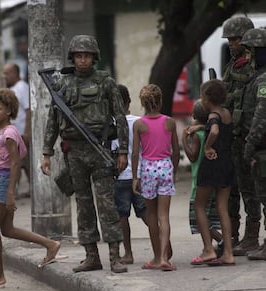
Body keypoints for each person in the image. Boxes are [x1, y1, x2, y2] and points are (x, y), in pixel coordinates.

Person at [41, 35, 129, 273]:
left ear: (94, 57)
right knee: (83, 205)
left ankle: (115, 257)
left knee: (107, 205)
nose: (82, 60)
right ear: (73, 57)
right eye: (79, 56)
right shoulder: (62, 85)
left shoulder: (105, 82)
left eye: (87, 56)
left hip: (99, 150)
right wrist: (46, 152)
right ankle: (92, 256)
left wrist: (123, 151)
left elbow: (120, 117)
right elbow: (52, 120)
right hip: (74, 151)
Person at [0, 88, 61, 288]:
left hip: (4, 185)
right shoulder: (4, 132)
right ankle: (51, 244)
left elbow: (14, 165)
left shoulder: (10, 134)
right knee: (7, 229)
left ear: (9, 110)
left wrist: (11, 194)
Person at [132, 84, 180, 271]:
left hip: (148, 170)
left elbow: (135, 153)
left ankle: (155, 257)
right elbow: (176, 151)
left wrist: (135, 177)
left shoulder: (139, 124)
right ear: (160, 101)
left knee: (151, 215)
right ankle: (164, 258)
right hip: (165, 167)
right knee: (164, 216)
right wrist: (173, 171)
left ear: (143, 103)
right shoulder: (170, 122)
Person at [221, 16, 259, 253]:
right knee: (232, 190)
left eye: (235, 39)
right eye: (230, 40)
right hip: (231, 135)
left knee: (250, 189)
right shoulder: (232, 66)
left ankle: (252, 235)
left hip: (246, 135)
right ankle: (232, 235)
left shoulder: (255, 68)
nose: (231, 44)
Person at [192, 79, 236, 266]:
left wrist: (208, 146)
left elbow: (215, 130)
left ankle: (208, 250)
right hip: (227, 164)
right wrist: (203, 128)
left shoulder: (212, 116)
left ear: (207, 98)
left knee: (199, 206)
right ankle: (228, 253)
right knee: (222, 208)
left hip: (212, 164)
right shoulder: (226, 113)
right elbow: (220, 128)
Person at [182, 100, 223, 261]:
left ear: (193, 116)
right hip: (213, 179)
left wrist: (184, 140)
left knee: (200, 219)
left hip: (200, 181)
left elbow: (192, 157)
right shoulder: (210, 131)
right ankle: (211, 246)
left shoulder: (197, 136)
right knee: (208, 216)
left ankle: (220, 242)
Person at [111, 84, 148, 264]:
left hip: (119, 178)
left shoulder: (110, 125)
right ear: (129, 101)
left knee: (122, 216)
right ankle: (163, 246)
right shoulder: (140, 122)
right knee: (148, 214)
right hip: (140, 176)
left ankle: (128, 253)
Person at [241, 28, 266, 260]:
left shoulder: (263, 81)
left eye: (250, 52)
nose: (247, 57)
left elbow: (260, 119)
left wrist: (249, 149)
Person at [3, 63, 31, 198]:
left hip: (21, 133)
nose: (5, 76)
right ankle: (17, 190)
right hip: (14, 133)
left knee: (20, 163)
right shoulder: (13, 89)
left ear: (15, 73)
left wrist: (27, 131)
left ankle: (16, 191)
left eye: (7, 73)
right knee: (18, 163)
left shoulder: (22, 88)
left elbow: (28, 110)